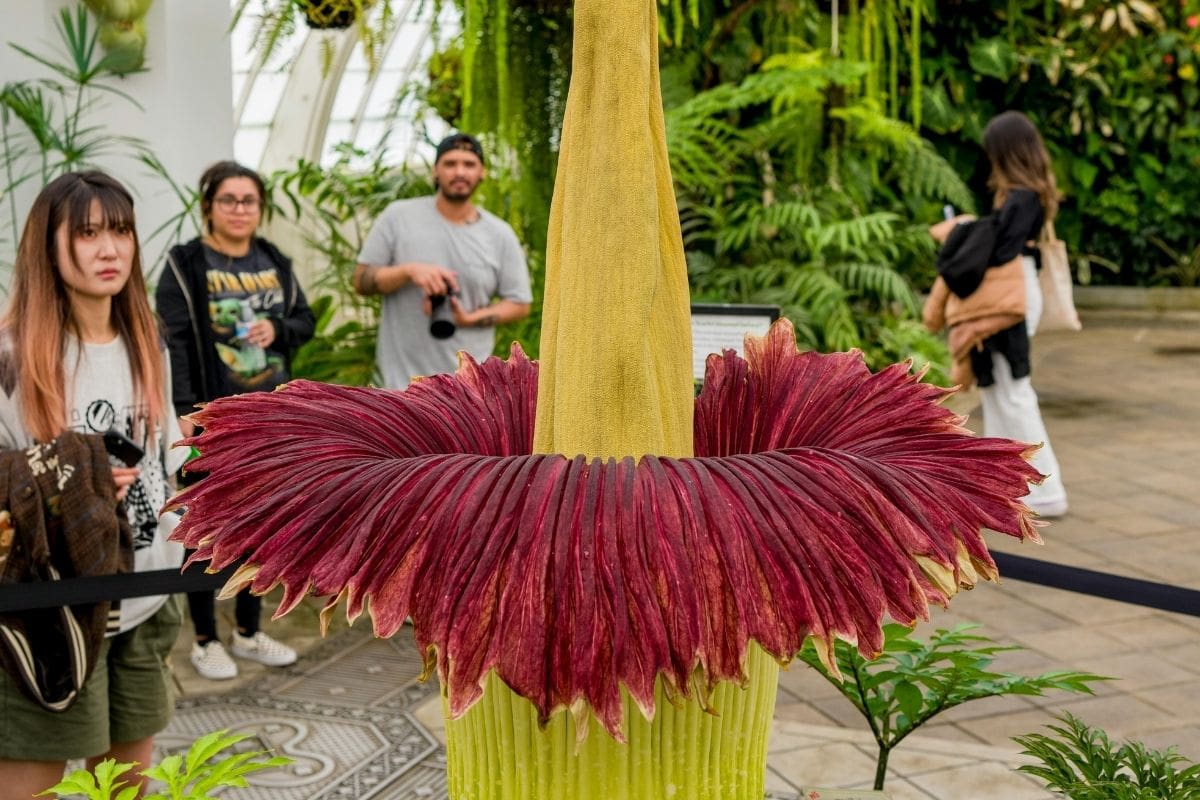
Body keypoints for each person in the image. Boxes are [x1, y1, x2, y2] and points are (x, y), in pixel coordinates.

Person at [0, 170, 186, 799]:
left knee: (127, 787)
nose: (110, 250)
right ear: (47, 246)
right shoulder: (12, 357)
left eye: (121, 231)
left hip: (146, 595)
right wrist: (72, 485)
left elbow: (166, 458)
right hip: (49, 611)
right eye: (86, 233)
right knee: (33, 784)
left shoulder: (148, 341)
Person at [156, 161, 314, 680]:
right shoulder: (185, 264)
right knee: (205, 529)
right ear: (208, 207)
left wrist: (277, 328)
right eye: (229, 200)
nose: (240, 209)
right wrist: (184, 411)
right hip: (212, 421)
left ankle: (248, 631)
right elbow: (173, 342)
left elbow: (303, 320)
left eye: (249, 201)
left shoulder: (274, 260)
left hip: (271, 420)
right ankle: (205, 639)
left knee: (264, 528)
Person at [926, 110, 1068, 518]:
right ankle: (1009, 485)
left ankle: (1044, 489)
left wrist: (967, 230)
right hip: (1011, 295)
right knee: (1000, 392)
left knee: (1013, 392)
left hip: (1010, 297)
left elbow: (1001, 250)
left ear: (1006, 152)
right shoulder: (1025, 196)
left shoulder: (1023, 197)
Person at [354, 133, 533, 387]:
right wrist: (409, 272)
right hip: (401, 387)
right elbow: (361, 281)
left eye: (469, 164)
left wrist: (470, 319)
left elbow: (519, 303)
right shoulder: (398, 217)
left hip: (470, 389)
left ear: (482, 172)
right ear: (436, 171)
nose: (459, 172)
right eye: (450, 164)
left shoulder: (499, 234)